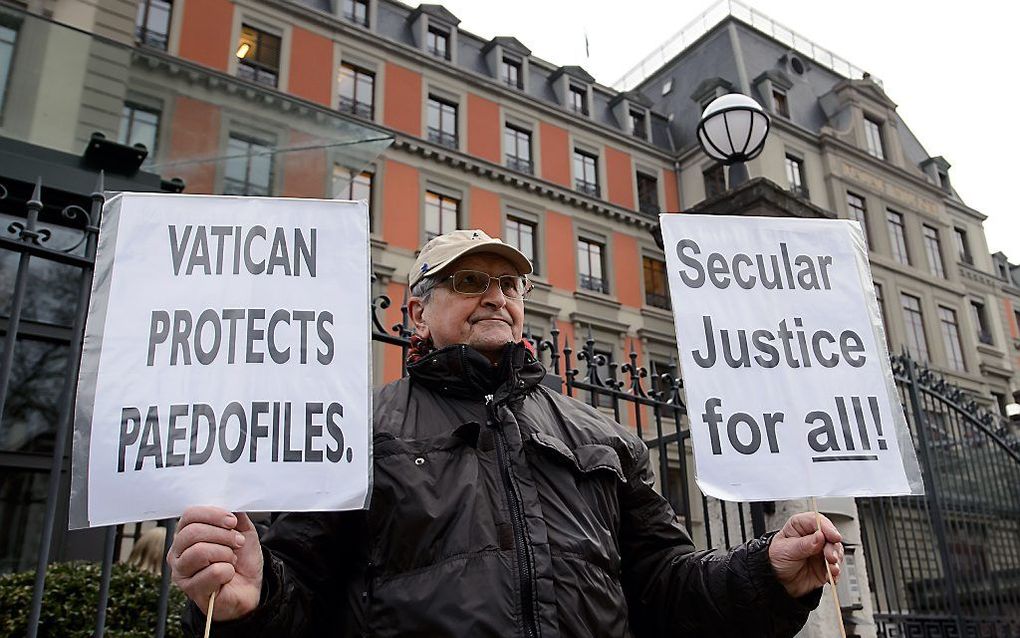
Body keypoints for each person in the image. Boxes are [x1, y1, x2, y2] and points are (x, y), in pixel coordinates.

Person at [170, 229, 844, 637]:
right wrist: (251, 605)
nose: (495, 295)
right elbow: (301, 598)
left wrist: (766, 573)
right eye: (468, 280)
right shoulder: (352, 429)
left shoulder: (602, 436)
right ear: (418, 310)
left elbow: (667, 588)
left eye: (509, 282)